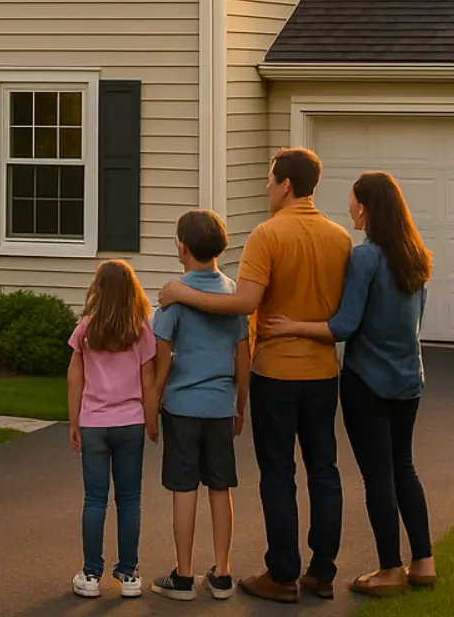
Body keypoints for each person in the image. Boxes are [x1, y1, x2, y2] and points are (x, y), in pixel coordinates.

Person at [157, 147, 352, 604]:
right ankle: (322, 572)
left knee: (279, 472)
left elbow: (244, 303)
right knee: (324, 469)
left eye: (269, 180)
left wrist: (180, 293)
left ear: (286, 185)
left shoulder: (268, 234)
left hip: (277, 372)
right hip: (323, 371)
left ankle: (283, 574)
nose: (266, 188)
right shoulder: (340, 237)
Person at [264, 171, 437, 597]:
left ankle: (390, 568)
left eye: (354, 203)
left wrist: (292, 326)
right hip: (409, 379)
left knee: (378, 476)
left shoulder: (366, 258)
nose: (350, 210)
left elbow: (343, 325)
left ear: (368, 208)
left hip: (368, 382)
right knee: (404, 467)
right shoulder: (415, 257)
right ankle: (423, 562)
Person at [148, 209, 252, 602]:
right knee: (220, 487)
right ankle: (222, 573)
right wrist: (240, 406)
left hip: (181, 407)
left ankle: (184, 575)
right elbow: (243, 357)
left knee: (184, 488)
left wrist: (152, 408)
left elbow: (161, 362)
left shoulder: (173, 297)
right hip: (220, 406)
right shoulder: (233, 293)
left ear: (183, 248)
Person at [66, 258, 160, 599]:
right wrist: (151, 419)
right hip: (130, 422)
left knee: (95, 499)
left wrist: (74, 421)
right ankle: (129, 573)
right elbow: (148, 378)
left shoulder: (86, 328)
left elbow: (75, 377)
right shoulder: (141, 330)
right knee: (129, 499)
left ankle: (91, 574)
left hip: (94, 423)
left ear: (99, 289)